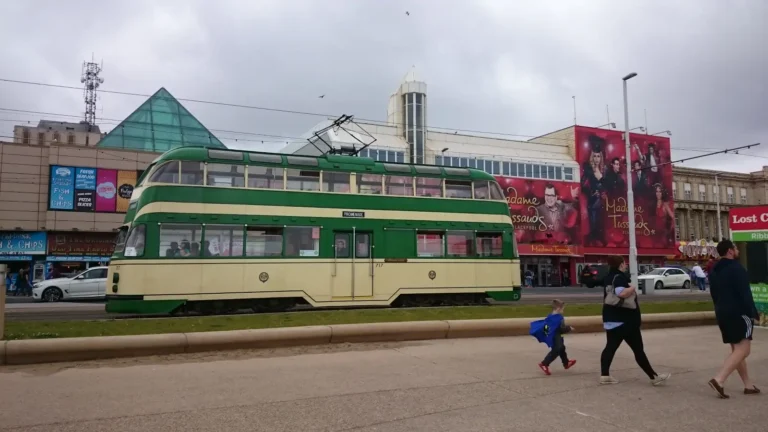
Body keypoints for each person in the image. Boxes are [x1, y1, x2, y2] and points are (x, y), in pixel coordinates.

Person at [599, 255, 671, 385]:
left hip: (611, 319)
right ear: (620, 265)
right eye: (624, 263)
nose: (626, 265)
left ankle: (605, 375)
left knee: (610, 347)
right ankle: (654, 377)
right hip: (625, 321)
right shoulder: (619, 277)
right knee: (638, 350)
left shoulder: (608, 277)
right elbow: (621, 293)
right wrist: (632, 287)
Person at [707, 240, 760, 398]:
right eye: (736, 248)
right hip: (739, 313)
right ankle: (719, 379)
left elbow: (714, 293)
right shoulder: (738, 269)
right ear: (730, 251)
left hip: (722, 312)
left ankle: (748, 385)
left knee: (736, 349)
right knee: (744, 349)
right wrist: (753, 313)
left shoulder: (714, 269)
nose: (737, 250)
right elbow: (745, 294)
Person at [531, 299, 577, 375]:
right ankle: (544, 363)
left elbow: (546, 326)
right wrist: (569, 328)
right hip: (557, 336)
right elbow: (561, 329)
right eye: (563, 309)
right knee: (557, 349)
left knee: (561, 348)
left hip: (552, 336)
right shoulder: (559, 318)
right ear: (558, 309)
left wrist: (546, 335)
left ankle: (566, 363)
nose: (563, 311)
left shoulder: (549, 317)